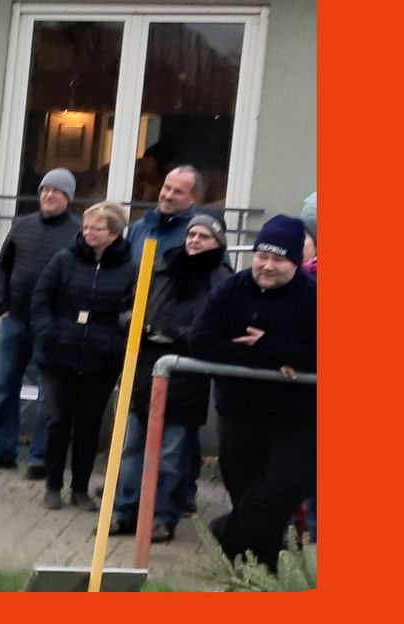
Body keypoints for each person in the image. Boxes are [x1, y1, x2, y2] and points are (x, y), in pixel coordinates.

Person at [190, 213, 316, 570]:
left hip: (297, 421)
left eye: (278, 259)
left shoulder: (313, 297)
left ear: (296, 262)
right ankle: (261, 574)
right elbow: (201, 341)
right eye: (262, 256)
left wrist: (271, 346)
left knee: (278, 493)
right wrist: (267, 359)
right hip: (239, 413)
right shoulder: (231, 290)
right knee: (246, 494)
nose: (267, 266)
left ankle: (224, 533)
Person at [109, 213, 228, 542]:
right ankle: (124, 511)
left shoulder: (221, 279)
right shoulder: (160, 266)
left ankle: (162, 517)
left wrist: (176, 334)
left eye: (203, 236)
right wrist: (134, 324)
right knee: (132, 446)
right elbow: (129, 304)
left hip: (187, 375)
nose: (194, 241)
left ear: (218, 242)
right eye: (191, 235)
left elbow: (218, 329)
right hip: (145, 368)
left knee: (171, 454)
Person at [31, 200, 139, 511]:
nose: (89, 232)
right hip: (60, 354)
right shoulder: (64, 260)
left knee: (89, 424)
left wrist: (115, 344)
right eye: (86, 227)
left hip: (101, 360)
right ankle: (53, 485)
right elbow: (42, 299)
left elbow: (131, 311)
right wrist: (48, 333)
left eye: (97, 228)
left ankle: (80, 488)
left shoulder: (129, 269)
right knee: (57, 420)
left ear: (114, 234)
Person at [0, 168, 75, 472]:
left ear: (68, 198)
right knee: (4, 387)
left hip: (51, 326)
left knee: (49, 394)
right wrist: (1, 304)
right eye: (45, 190)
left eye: (56, 191)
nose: (48, 195)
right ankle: (2, 451)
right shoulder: (22, 225)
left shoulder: (77, 232)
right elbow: (3, 265)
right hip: (14, 319)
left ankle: (41, 457)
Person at [127, 165, 203, 260]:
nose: (168, 196)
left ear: (194, 198)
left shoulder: (199, 235)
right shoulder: (137, 229)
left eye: (178, 192)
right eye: (167, 188)